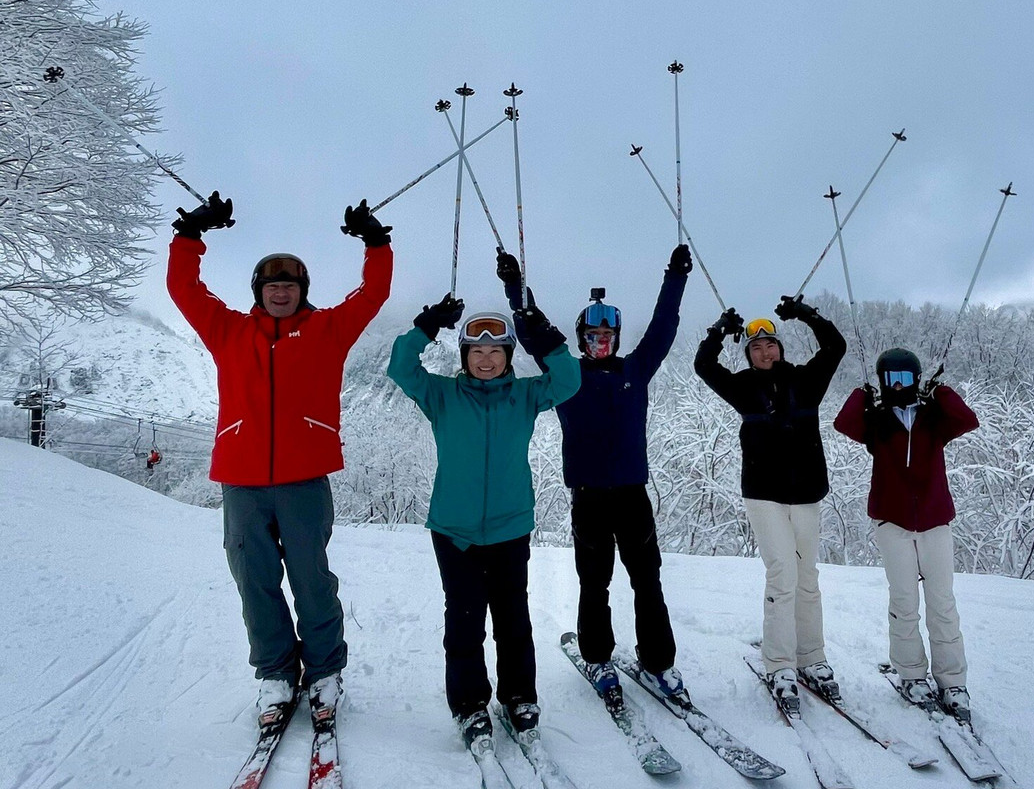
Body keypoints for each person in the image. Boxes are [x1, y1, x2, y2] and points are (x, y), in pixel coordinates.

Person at [166, 191, 393, 727]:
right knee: (255, 578)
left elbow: (374, 293)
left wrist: (376, 241)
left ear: (302, 292)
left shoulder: (327, 332)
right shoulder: (229, 332)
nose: (281, 293)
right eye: (272, 286)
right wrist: (190, 236)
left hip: (304, 480)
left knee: (311, 579)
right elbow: (183, 289)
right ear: (259, 293)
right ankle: (274, 676)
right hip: (241, 481)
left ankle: (324, 673)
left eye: (290, 286)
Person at [498, 245, 693, 704]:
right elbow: (534, 334)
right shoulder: (567, 376)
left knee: (648, 580)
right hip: (588, 497)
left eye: (608, 333)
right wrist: (515, 287)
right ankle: (598, 657)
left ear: (617, 338)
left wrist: (676, 276)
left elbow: (664, 327)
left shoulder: (636, 370)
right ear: (582, 337)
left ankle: (659, 662)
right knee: (594, 581)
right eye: (592, 332)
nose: (600, 339)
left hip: (632, 495)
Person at [386, 290, 580, 747]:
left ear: (509, 355)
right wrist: (426, 325)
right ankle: (470, 704)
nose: (487, 359)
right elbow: (401, 368)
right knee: (466, 619)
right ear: (466, 354)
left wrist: (540, 331)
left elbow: (569, 378)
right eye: (478, 350)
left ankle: (519, 697)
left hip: (511, 527)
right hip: (454, 531)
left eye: (496, 350)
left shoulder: (527, 394)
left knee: (514, 618)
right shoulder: (442, 394)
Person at [694, 297, 846, 714]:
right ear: (748, 354)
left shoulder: (806, 380)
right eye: (756, 348)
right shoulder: (742, 386)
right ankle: (780, 664)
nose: (764, 352)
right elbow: (704, 367)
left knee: (807, 577)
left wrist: (808, 315)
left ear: (781, 348)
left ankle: (812, 658)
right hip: (763, 494)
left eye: (770, 345)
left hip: (807, 492)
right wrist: (717, 331)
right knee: (782, 573)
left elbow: (835, 348)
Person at [833, 348, 979, 721]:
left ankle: (952, 680)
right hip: (893, 523)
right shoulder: (877, 422)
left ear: (917, 379)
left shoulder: (934, 418)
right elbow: (843, 423)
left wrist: (941, 390)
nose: (899, 385)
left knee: (942, 601)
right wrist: (862, 395)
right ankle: (912, 674)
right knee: (904, 602)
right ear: (883, 382)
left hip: (935, 522)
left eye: (906, 378)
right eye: (891, 379)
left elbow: (967, 419)